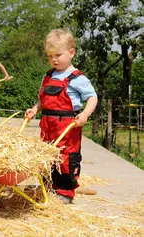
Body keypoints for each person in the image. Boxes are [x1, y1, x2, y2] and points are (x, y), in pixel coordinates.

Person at [25, 29, 98, 204]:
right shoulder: (48, 75)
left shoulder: (77, 77)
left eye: (58, 55)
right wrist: (35, 109)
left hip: (67, 125)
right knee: (45, 155)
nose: (54, 59)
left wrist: (85, 114)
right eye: (50, 56)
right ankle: (48, 187)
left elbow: (92, 97)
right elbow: (42, 99)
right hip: (47, 124)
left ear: (71, 53)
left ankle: (65, 192)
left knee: (66, 156)